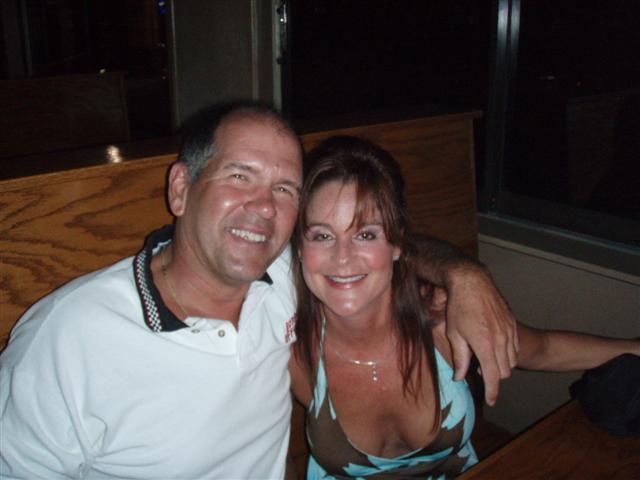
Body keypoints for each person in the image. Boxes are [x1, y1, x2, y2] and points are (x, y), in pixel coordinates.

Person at [1, 103, 516, 479]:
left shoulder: (295, 275)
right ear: (180, 189)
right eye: (239, 176)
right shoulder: (67, 337)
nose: (264, 206)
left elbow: (378, 243)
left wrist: (463, 274)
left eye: (284, 188)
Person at [288, 135, 640, 479]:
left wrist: (635, 348)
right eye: (322, 235)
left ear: (397, 244)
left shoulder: (443, 319)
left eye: (366, 234)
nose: (343, 257)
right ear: (300, 248)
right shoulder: (288, 347)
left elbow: (543, 349)